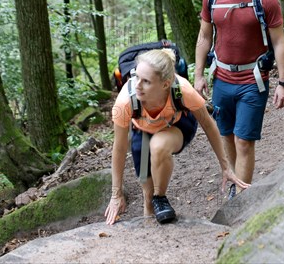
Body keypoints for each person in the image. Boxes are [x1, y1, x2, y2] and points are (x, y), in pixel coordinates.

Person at [105, 49, 249, 225]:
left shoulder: (182, 90)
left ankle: (160, 197)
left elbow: (208, 125)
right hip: (141, 133)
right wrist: (116, 194)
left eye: (146, 81)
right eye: (137, 77)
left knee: (158, 146)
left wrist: (226, 168)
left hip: (178, 125)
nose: (137, 85)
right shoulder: (125, 102)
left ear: (165, 84)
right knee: (147, 196)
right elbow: (119, 148)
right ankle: (152, 235)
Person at [194, 0, 284, 199]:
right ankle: (235, 181)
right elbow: (204, 38)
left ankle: (239, 198)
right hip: (222, 80)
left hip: (253, 80)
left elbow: (280, 41)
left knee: (244, 141)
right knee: (226, 136)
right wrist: (198, 75)